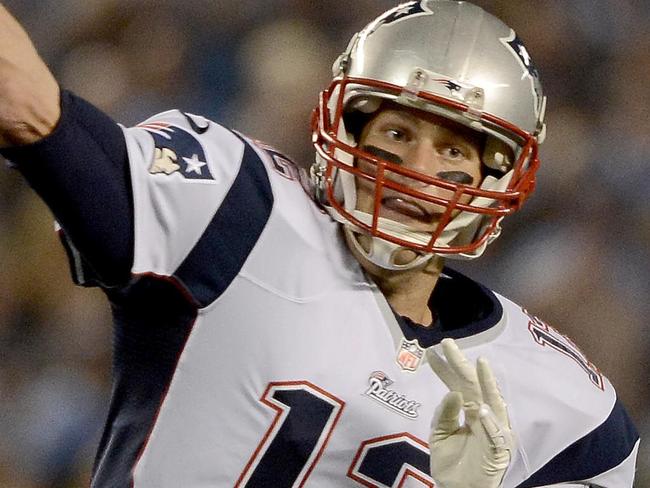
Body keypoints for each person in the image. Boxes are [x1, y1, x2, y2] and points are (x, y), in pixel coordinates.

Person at [0, 1, 640, 487]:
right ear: (344, 130)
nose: (417, 168)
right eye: (396, 133)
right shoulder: (236, 213)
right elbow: (30, 105)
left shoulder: (571, 416)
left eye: (452, 149)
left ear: (496, 180)